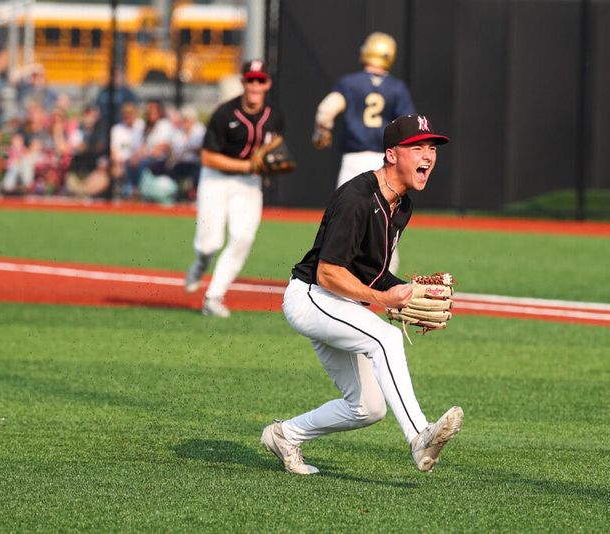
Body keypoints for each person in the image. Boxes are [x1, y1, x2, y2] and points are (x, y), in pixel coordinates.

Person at [261, 114, 463, 475]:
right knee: (385, 338)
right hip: (312, 296)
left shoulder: (402, 206)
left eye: (432, 148)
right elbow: (328, 271)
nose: (428, 155)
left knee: (368, 407)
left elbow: (372, 271)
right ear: (391, 155)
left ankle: (285, 435)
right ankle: (420, 436)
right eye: (417, 148)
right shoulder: (356, 198)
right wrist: (386, 300)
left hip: (340, 302)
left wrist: (405, 289)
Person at [183, 59, 285, 318]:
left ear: (267, 84)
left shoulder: (274, 115)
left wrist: (268, 164)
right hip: (215, 179)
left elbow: (277, 141)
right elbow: (207, 157)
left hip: (249, 184)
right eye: (250, 79)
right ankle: (199, 264)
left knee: (243, 238)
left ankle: (213, 297)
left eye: (260, 80)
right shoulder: (224, 114)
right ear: (243, 82)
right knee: (210, 243)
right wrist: (248, 166)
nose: (255, 85)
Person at [312, 31, 415, 273]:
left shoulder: (350, 83)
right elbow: (408, 126)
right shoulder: (397, 88)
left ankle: (332, 274)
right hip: (384, 163)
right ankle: (385, 278)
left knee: (343, 221)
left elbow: (325, 111)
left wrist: (321, 134)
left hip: (353, 160)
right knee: (385, 225)